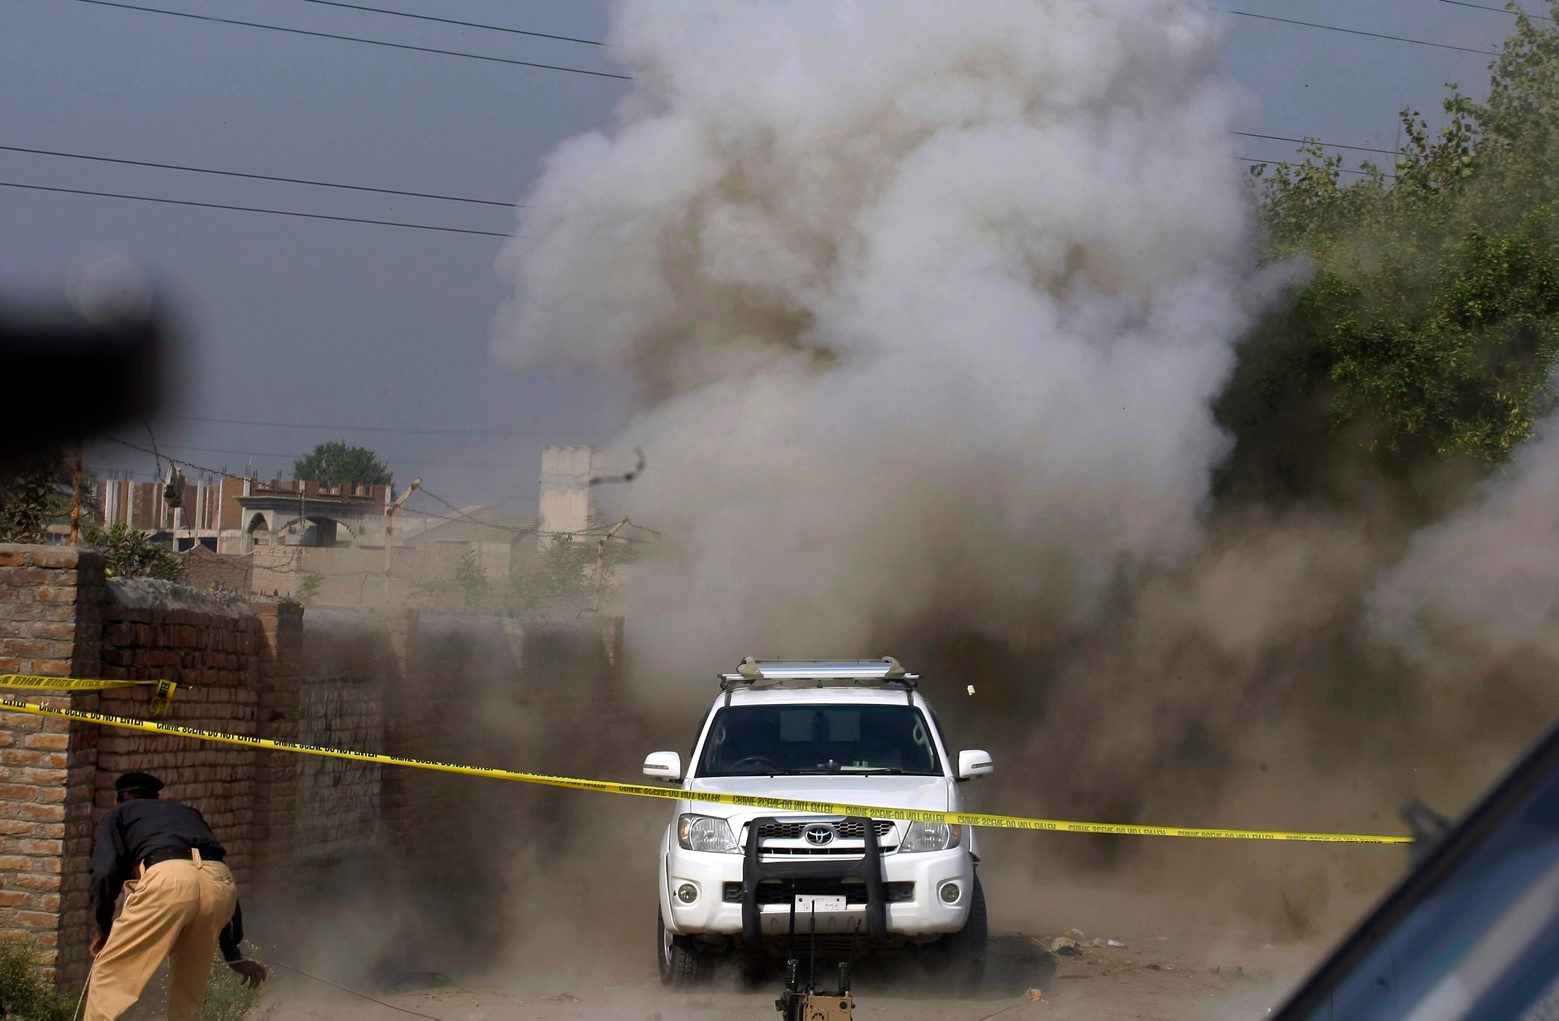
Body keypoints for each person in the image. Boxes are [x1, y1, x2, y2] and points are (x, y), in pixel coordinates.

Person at [84, 771, 267, 1020]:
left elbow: (105, 871)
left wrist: (104, 929)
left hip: (169, 879)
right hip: (220, 881)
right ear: (159, 797)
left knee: (110, 973)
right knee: (188, 988)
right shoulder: (187, 814)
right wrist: (232, 954)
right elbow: (213, 878)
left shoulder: (118, 814)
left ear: (118, 800)